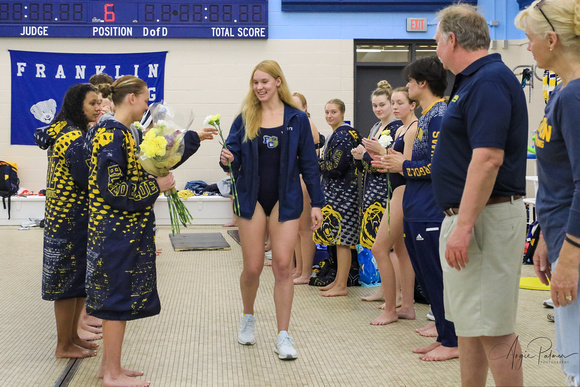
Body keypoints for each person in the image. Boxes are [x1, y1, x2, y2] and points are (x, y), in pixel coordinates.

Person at [431, 4, 528, 384]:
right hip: (471, 217)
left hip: (484, 219)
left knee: (494, 328)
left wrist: (465, 225)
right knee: (470, 325)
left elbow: (488, 159)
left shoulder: (488, 81)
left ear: (452, 39)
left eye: (437, 41)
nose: (436, 49)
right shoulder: (473, 81)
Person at [220, 60, 324, 360]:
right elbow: (231, 158)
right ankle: (248, 316)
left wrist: (316, 202)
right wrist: (227, 158)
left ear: (279, 82)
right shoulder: (245, 118)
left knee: (281, 265)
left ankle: (283, 335)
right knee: (252, 267)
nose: (259, 87)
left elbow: (309, 164)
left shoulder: (296, 119)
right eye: (255, 83)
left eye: (264, 81)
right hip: (251, 198)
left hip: (286, 198)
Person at [86, 75, 176, 387]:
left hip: (117, 231)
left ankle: (110, 366)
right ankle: (111, 374)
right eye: (146, 97)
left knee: (117, 301)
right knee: (115, 301)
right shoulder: (112, 133)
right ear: (133, 98)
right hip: (114, 232)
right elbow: (114, 188)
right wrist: (157, 184)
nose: (148, 104)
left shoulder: (119, 132)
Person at [516, 1, 580, 385]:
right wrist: (543, 236)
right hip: (560, 237)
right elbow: (559, 179)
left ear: (552, 40)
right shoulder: (562, 95)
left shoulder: (574, 98)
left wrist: (570, 257)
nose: (528, 47)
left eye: (530, 38)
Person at [378, 56, 458, 361]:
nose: (407, 86)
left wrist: (404, 165)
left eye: (410, 82)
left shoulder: (439, 115)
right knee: (428, 276)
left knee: (437, 278)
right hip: (416, 205)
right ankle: (443, 334)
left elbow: (438, 167)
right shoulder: (426, 116)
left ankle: (452, 340)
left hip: (430, 207)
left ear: (422, 83)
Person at [35, 83, 101, 359]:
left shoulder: (71, 131)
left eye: (100, 102)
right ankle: (63, 345)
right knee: (65, 287)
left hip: (75, 219)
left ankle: (73, 337)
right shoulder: (71, 137)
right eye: (92, 104)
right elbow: (85, 178)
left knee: (76, 283)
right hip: (67, 222)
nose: (99, 108)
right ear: (78, 106)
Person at [354, 84, 417, 325]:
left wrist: (381, 152)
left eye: (399, 103)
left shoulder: (412, 130)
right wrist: (378, 156)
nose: (394, 107)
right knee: (400, 251)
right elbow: (392, 163)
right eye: (394, 103)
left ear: (412, 104)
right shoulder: (401, 129)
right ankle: (407, 306)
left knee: (380, 248)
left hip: (402, 192)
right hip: (395, 191)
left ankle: (391, 308)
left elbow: (408, 167)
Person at [313, 98, 361, 297]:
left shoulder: (344, 135)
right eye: (326, 112)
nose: (329, 116)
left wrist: (313, 164)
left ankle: (342, 284)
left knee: (343, 241)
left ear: (342, 113)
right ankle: (338, 281)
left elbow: (336, 167)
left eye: (333, 112)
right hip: (335, 195)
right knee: (336, 240)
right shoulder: (337, 134)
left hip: (345, 196)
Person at [291, 92, 320, 285]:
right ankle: (299, 268)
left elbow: (311, 159)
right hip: (294, 178)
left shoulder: (308, 125)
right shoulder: (294, 124)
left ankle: (306, 271)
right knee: (295, 229)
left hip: (304, 179)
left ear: (305, 108)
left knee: (304, 229)